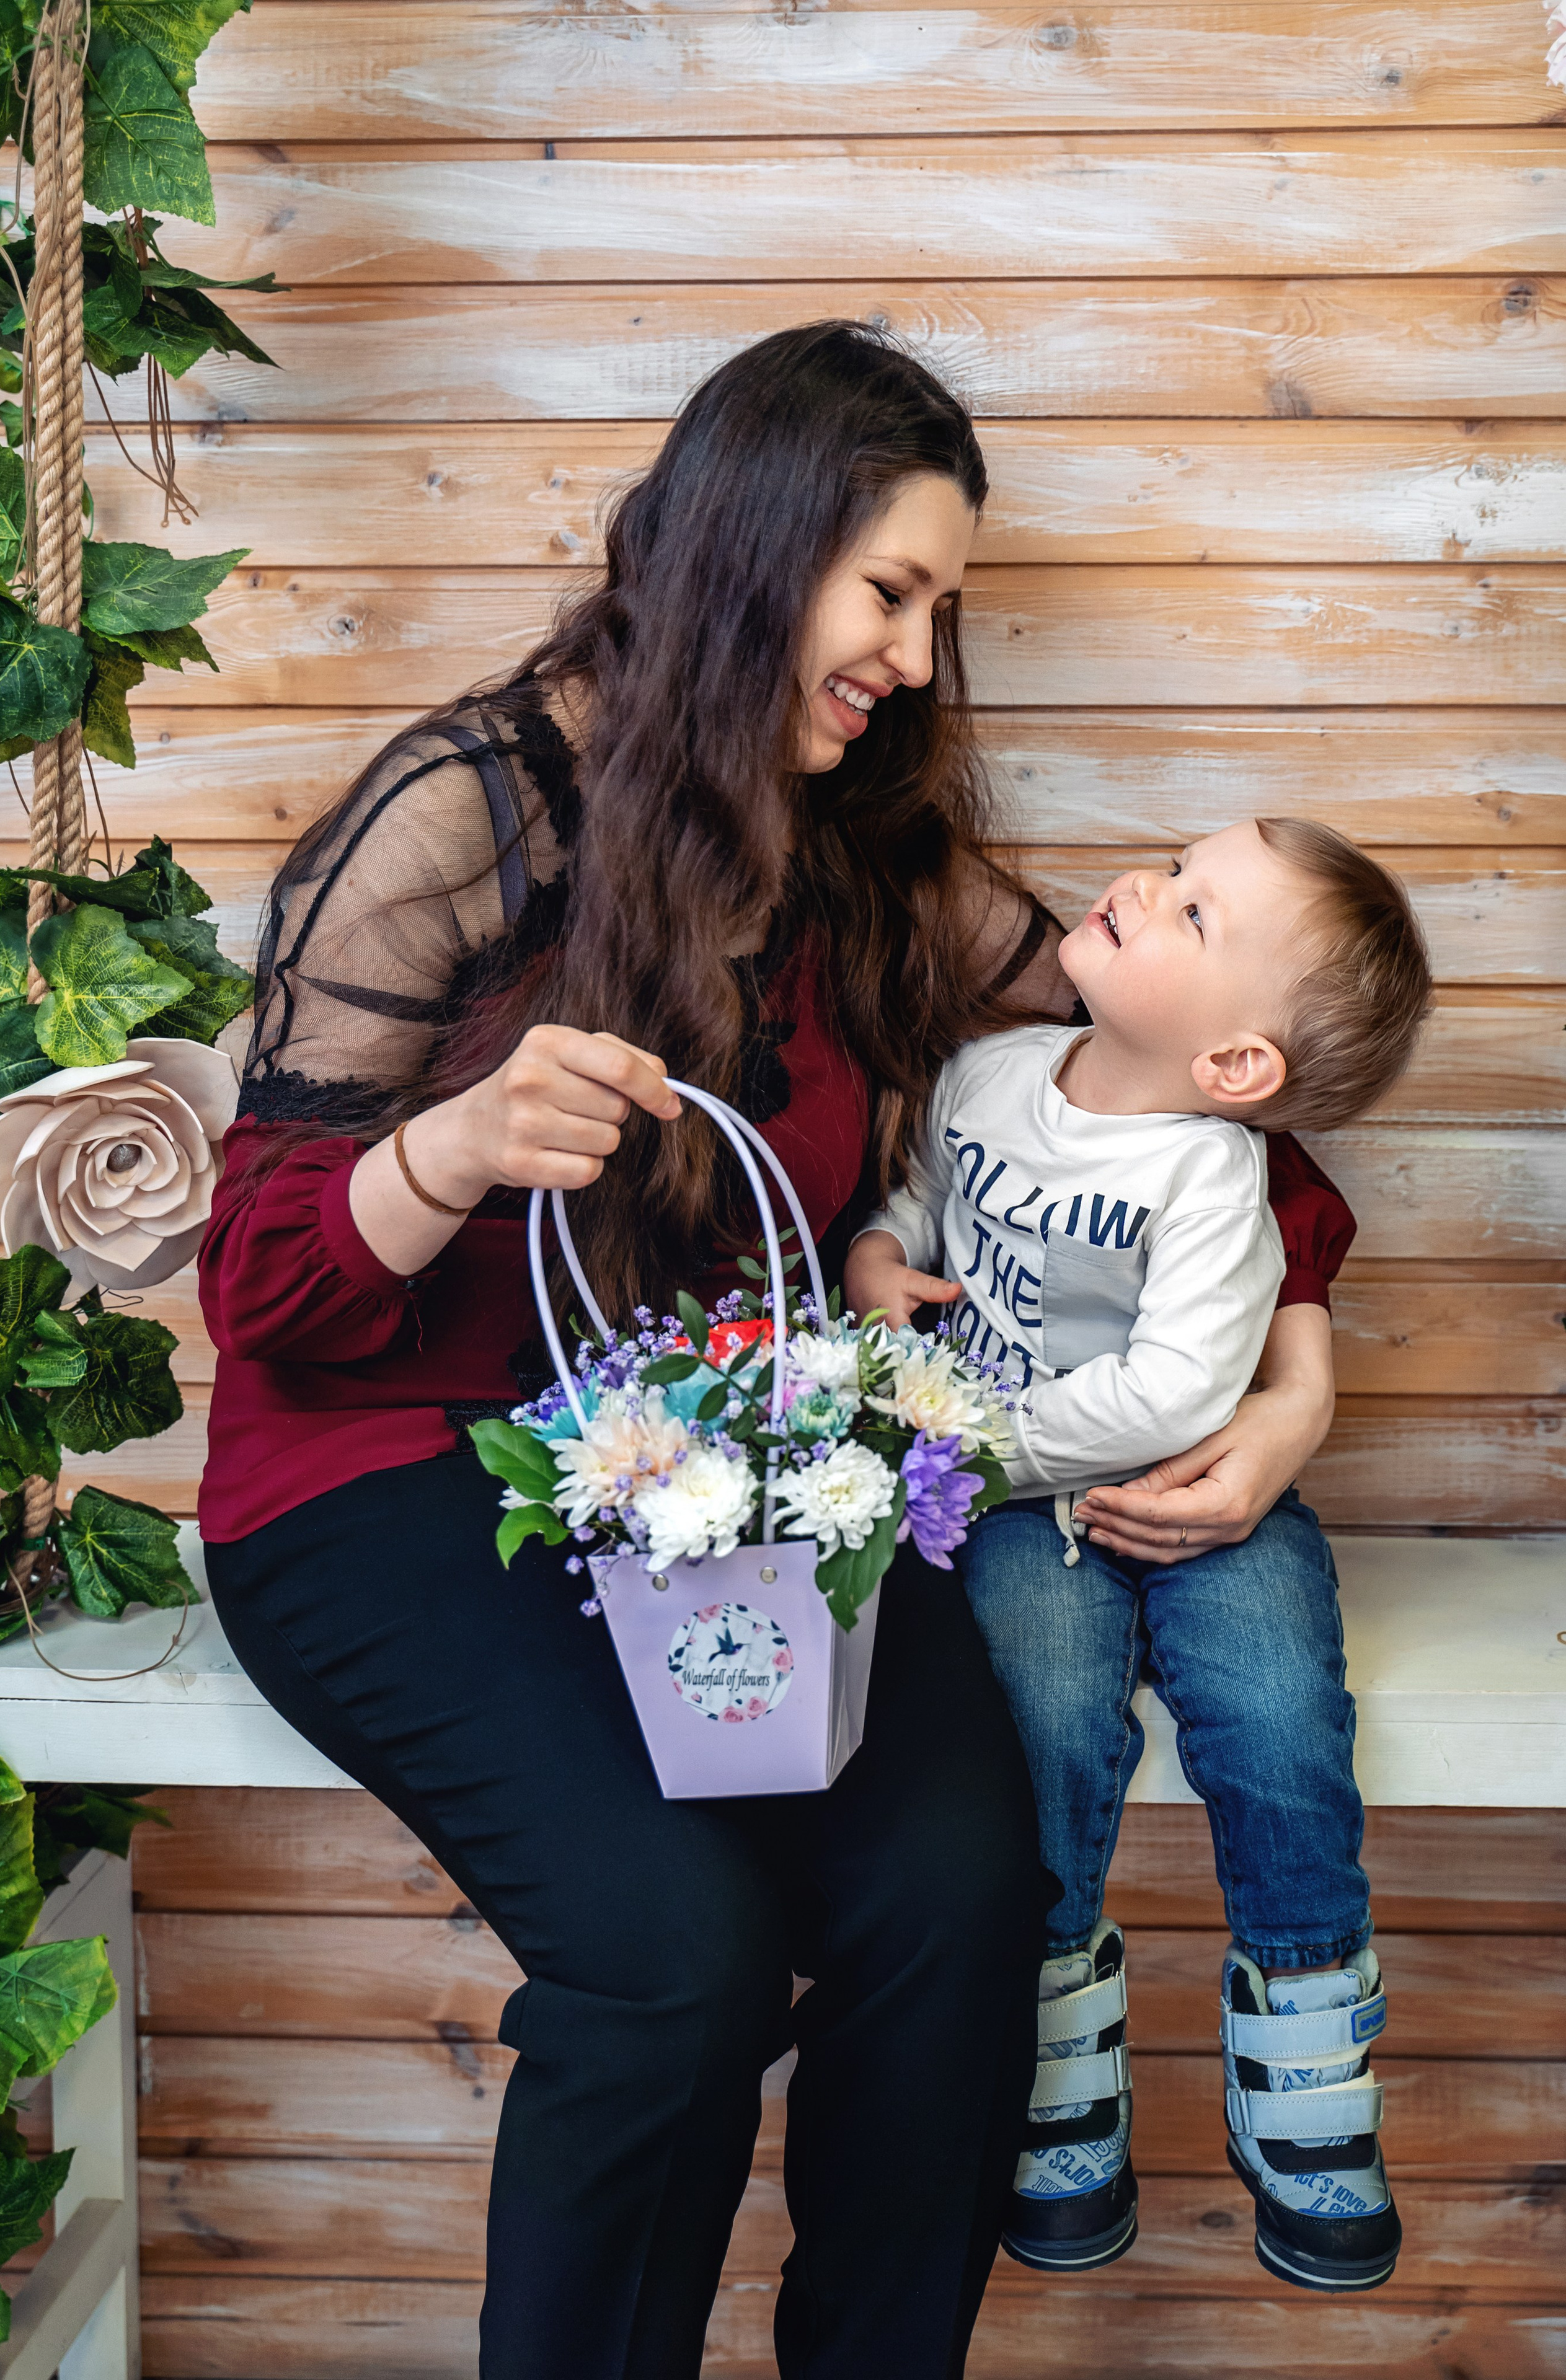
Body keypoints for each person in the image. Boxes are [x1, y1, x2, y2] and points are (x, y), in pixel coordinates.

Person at [197, 321, 1353, 2380]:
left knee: (952, 1905)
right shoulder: (465, 813)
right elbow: (268, 1291)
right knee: (674, 1958)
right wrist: (452, 1149)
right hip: (391, 1486)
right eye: (891, 591)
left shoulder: (863, 846)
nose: (915, 657)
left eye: (941, 611)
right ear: (758, 540)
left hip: (728, 1482)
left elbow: (1192, 1093)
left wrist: (1294, 1382)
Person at [846, 817, 1431, 2299]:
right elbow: (925, 1186)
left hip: (1190, 1496)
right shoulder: (987, 1076)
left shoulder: (1210, 1175)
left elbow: (1177, 1397)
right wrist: (876, 1250)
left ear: (1235, 1066)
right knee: (1039, 1719)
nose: (1138, 888)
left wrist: (969, 1457)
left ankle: (1302, 2049)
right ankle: (1056, 2060)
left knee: (1280, 1716)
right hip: (1011, 1509)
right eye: (1171, 869)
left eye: (1190, 910)